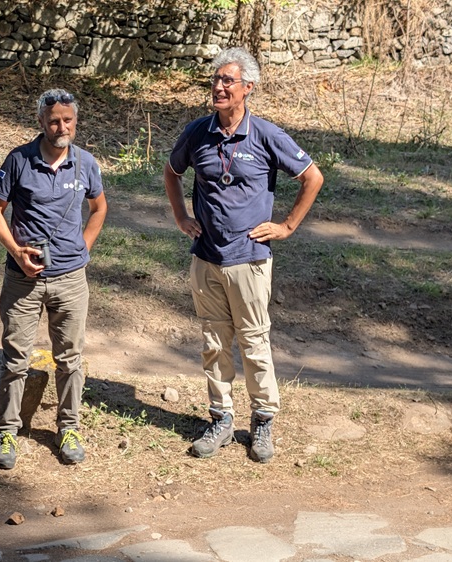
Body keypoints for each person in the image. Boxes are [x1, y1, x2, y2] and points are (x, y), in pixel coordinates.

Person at [164, 47, 323, 463]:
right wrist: (181, 216)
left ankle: (262, 422)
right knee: (214, 342)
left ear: (247, 87)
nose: (218, 87)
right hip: (206, 258)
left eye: (227, 81)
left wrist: (286, 226)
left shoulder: (267, 135)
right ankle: (220, 419)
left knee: (254, 342)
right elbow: (171, 171)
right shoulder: (197, 132)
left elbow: (312, 177)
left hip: (249, 258)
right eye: (215, 80)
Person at [0, 88, 108, 469]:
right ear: (41, 121)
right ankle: (8, 432)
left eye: (68, 120)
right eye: (54, 121)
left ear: (76, 121)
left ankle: (69, 428)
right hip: (23, 280)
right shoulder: (18, 160)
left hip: (71, 279)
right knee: (15, 358)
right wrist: (16, 252)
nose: (61, 127)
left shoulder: (86, 163)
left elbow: (99, 207)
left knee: (70, 359)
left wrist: (83, 249)